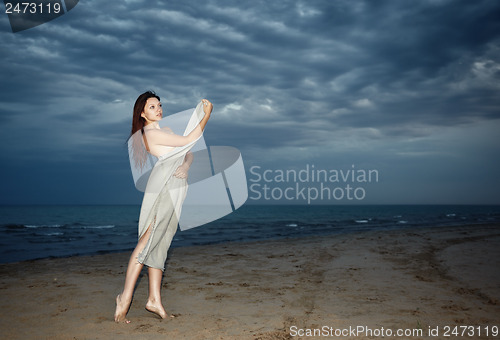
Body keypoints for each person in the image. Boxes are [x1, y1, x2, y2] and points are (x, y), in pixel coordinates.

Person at [115, 91, 213, 323]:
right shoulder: (149, 134)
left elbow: (188, 154)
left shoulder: (165, 131)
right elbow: (190, 139)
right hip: (165, 184)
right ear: (142, 113)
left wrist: (186, 167)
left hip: (178, 184)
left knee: (161, 241)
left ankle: (154, 300)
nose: (158, 109)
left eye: (159, 105)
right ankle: (124, 298)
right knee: (148, 239)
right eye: (151, 107)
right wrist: (206, 115)